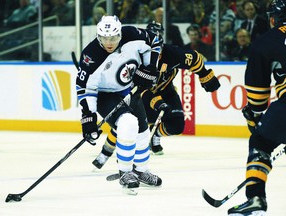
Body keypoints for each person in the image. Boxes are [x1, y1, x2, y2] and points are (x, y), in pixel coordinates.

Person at [92, 21, 220, 169]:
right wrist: (156, 102)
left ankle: (155, 136)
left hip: (166, 91)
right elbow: (138, 87)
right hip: (140, 93)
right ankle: (105, 153)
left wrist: (204, 75)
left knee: (177, 125)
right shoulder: (135, 54)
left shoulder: (172, 53)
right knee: (127, 123)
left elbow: (195, 59)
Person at [76, 15, 163, 190]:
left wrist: (149, 67)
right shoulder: (91, 55)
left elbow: (155, 42)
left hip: (129, 89)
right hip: (104, 95)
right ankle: (125, 172)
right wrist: (88, 116)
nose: (109, 42)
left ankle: (141, 170)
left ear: (120, 34)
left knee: (143, 132)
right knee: (128, 123)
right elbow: (83, 87)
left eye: (114, 38)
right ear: (98, 36)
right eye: (104, 38)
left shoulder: (131, 34)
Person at [228, 0, 286, 215]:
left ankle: (255, 199)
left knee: (260, 142)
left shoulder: (267, 40)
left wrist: (255, 116)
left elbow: (258, 95)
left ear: (274, 18)